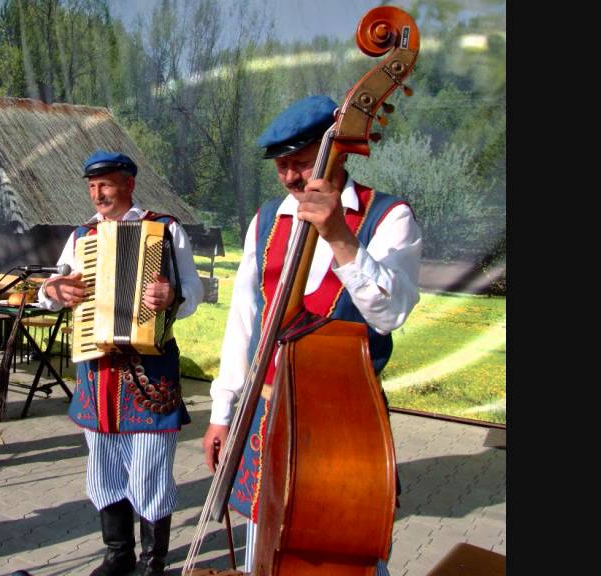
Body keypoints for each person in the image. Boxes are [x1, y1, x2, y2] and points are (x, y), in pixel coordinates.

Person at [202, 95, 423, 574]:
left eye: (300, 163)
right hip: (264, 411)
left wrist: (340, 237)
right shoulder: (265, 221)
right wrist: (222, 412)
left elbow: (390, 313)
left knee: (345, 544)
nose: (289, 177)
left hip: (342, 421)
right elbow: (244, 324)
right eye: (281, 166)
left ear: (335, 153)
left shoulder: (388, 216)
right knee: (263, 540)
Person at [38, 150, 204, 576]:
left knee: (149, 465)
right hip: (98, 370)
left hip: (150, 368)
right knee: (103, 463)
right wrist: (56, 292)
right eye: (92, 186)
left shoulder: (164, 229)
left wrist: (172, 298)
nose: (98, 194)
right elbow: (51, 288)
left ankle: (154, 560)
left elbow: (194, 291)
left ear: (129, 183)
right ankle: (118, 553)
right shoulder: (82, 236)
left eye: (106, 184)